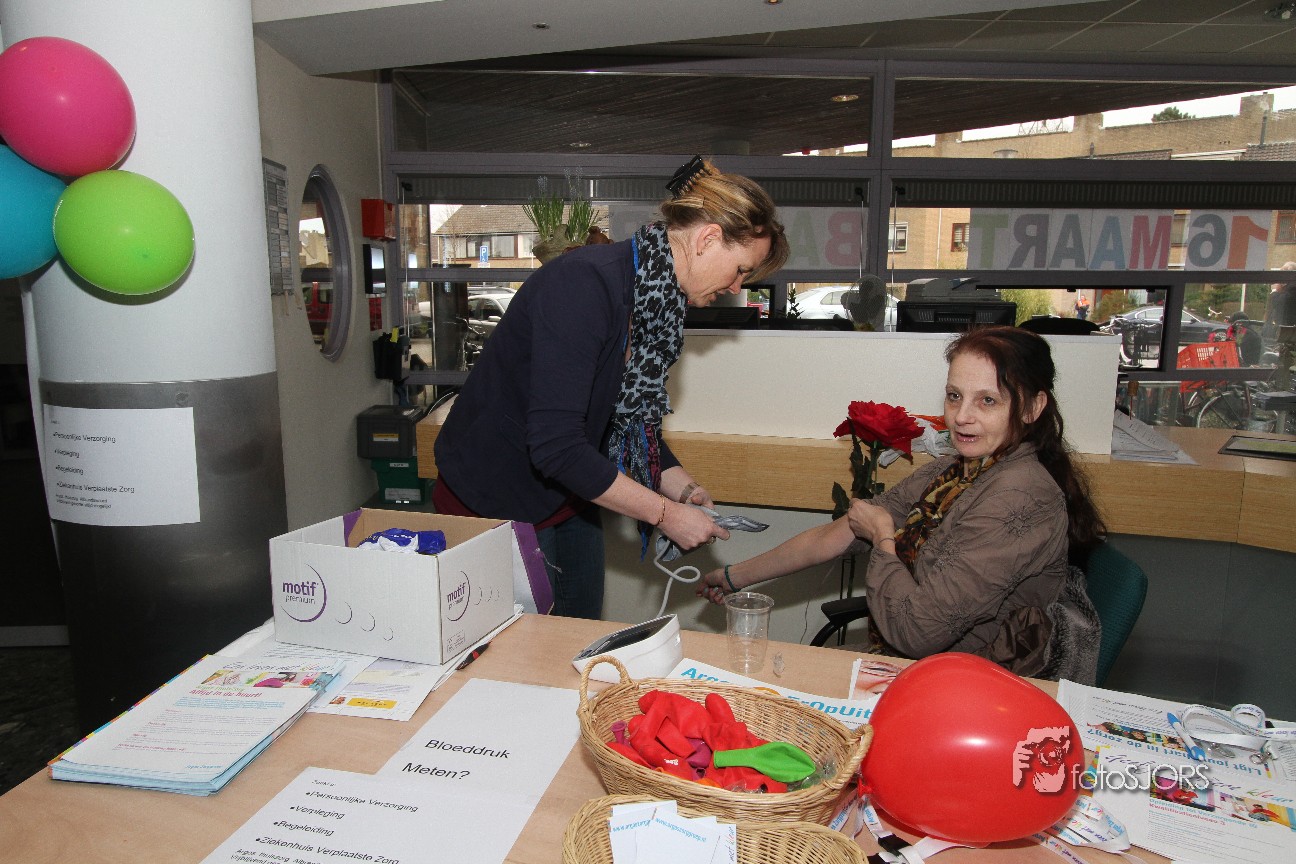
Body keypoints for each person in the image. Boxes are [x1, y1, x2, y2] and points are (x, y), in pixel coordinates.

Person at [433, 157, 789, 619]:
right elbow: (556, 447)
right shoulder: (585, 284)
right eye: (740, 269)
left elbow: (622, 417)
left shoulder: (654, 300)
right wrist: (665, 515)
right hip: (497, 498)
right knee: (528, 650)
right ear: (707, 238)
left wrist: (680, 486)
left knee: (579, 635)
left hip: (566, 497)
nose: (737, 285)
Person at [699, 326, 1106, 680]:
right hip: (920, 668)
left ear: (1033, 407)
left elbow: (917, 631)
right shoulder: (953, 472)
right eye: (954, 396)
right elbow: (834, 537)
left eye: (988, 401)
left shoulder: (1021, 496)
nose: (961, 416)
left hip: (970, 688)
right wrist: (733, 577)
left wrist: (883, 539)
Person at [1262, 261, 1296, 343]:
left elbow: (1281, 303)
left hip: (1288, 332)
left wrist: (1275, 290)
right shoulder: (1288, 289)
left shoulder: (1293, 288)